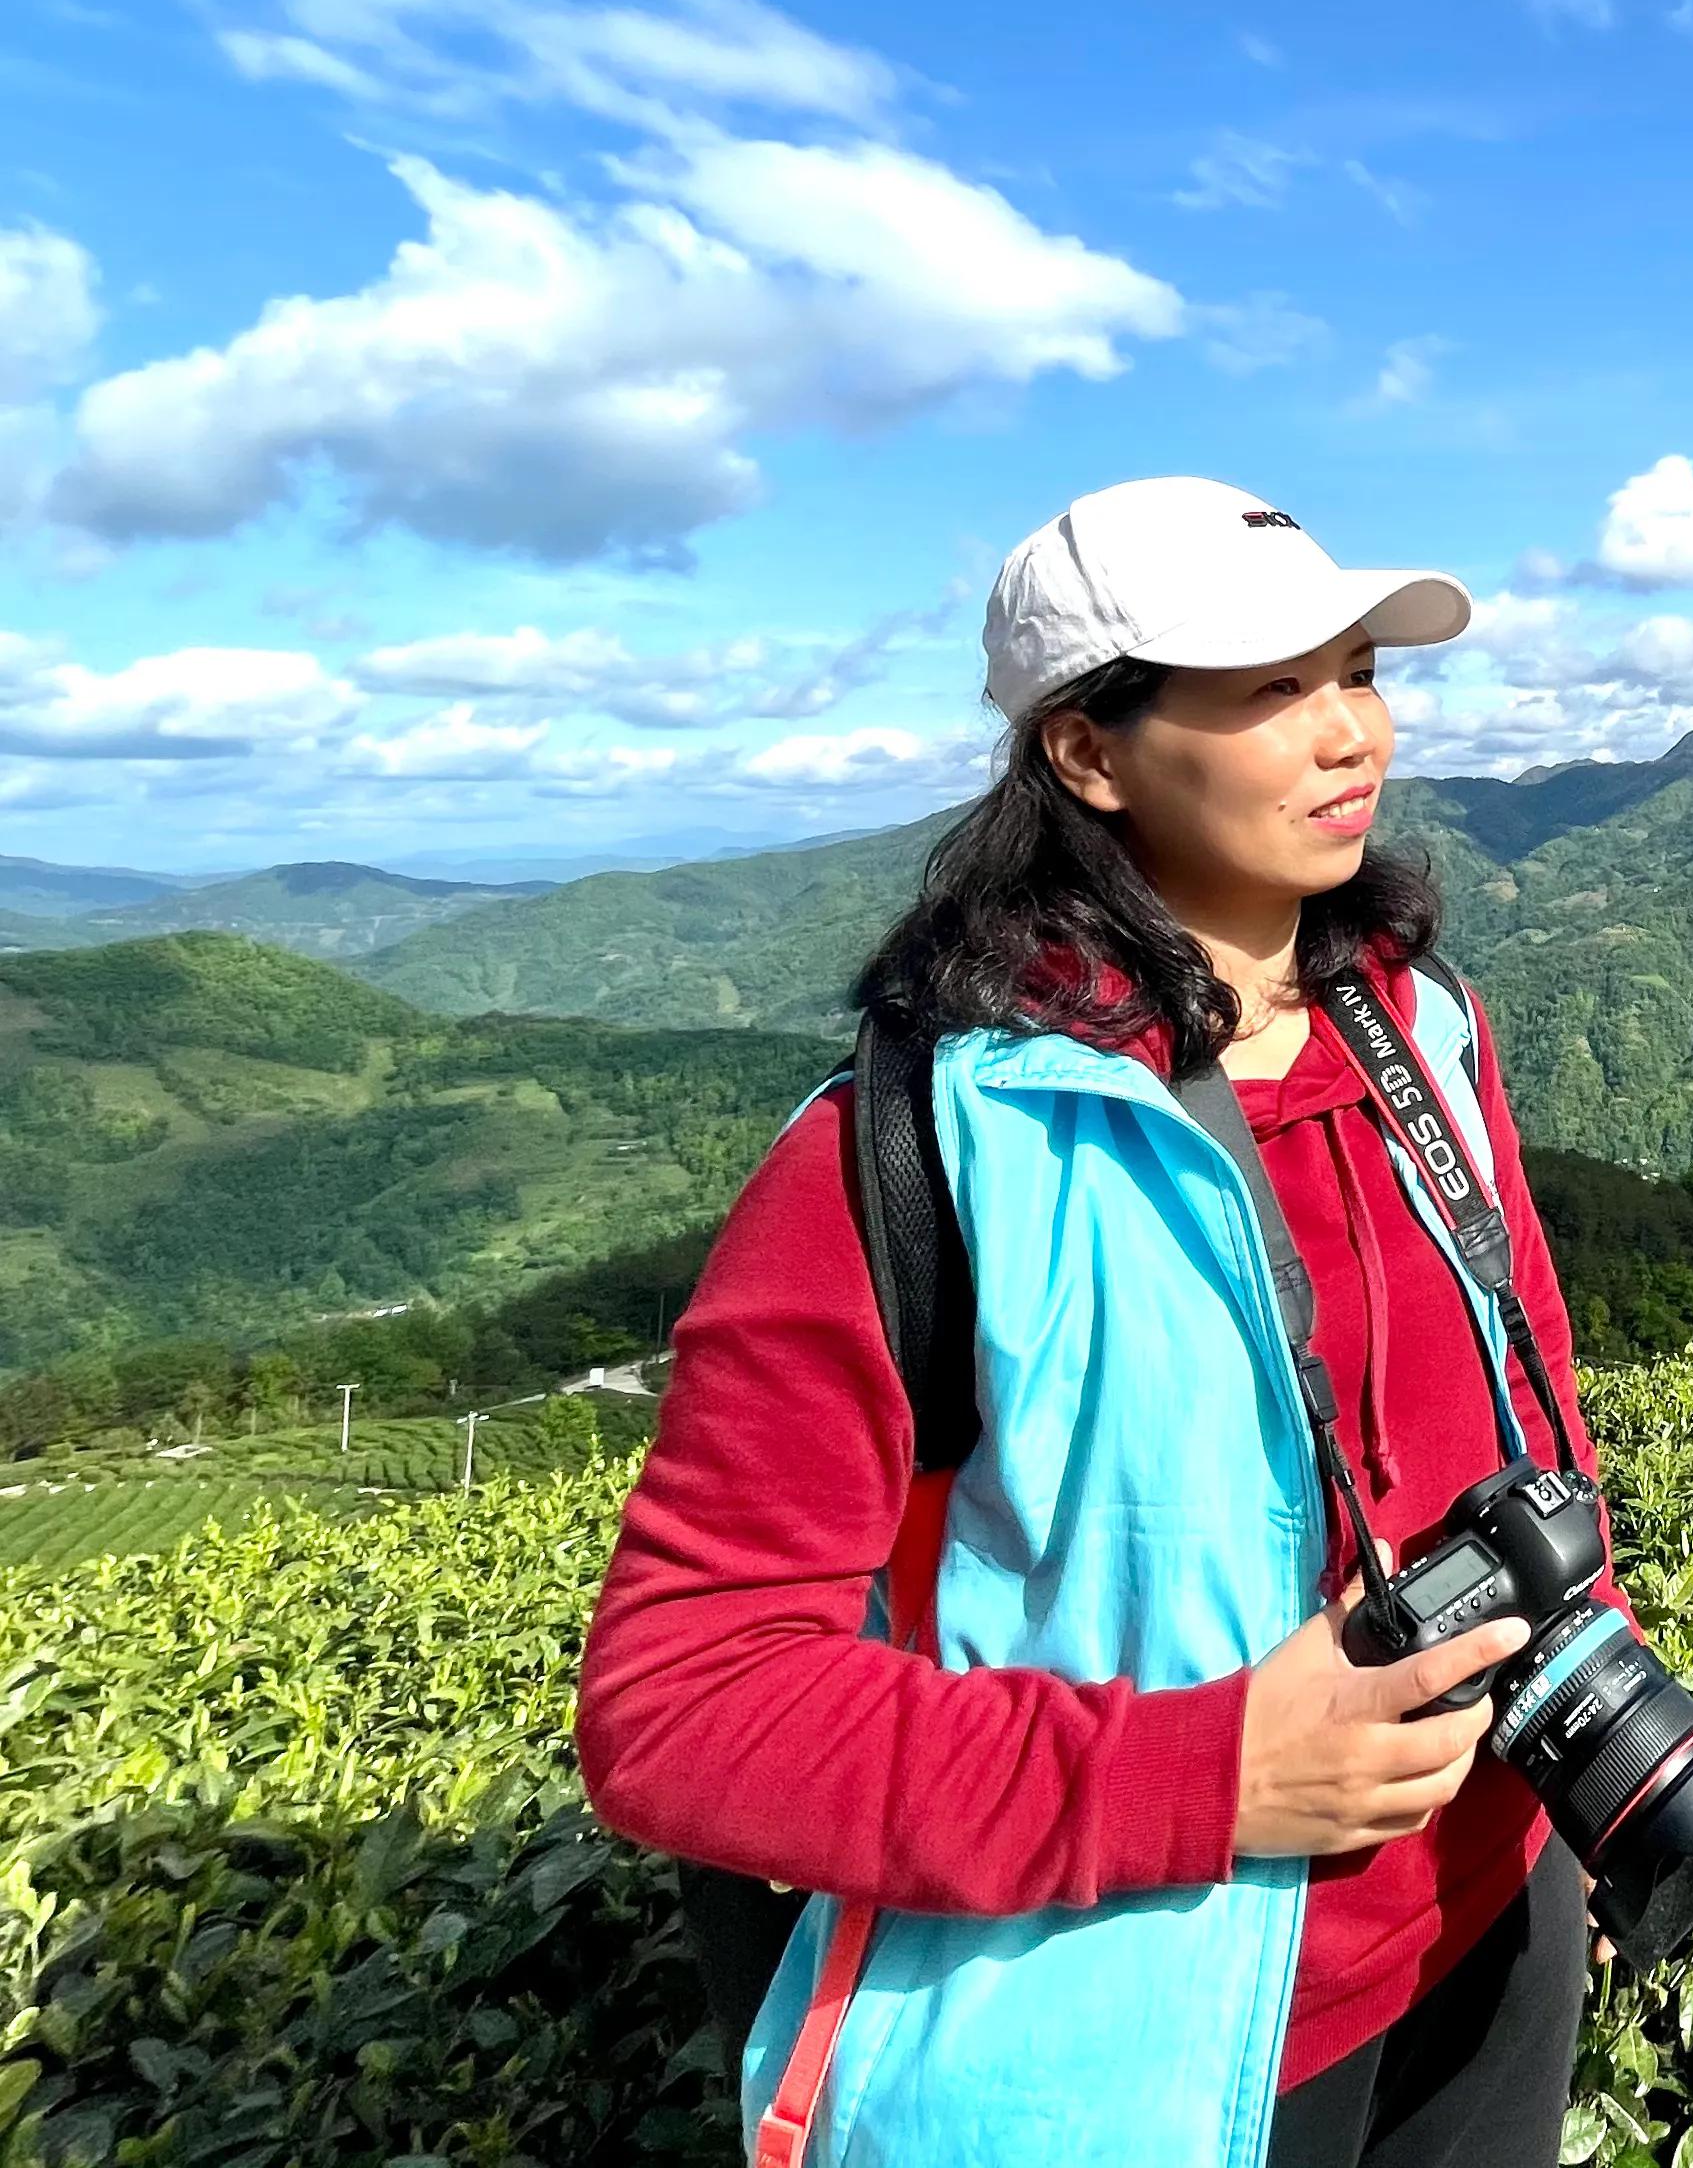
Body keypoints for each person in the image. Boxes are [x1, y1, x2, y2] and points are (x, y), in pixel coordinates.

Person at [580, 477, 1618, 2168]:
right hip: (1156, 2039)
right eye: (1271, 688)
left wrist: (1584, 1778)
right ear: (1089, 751)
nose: (1350, 729)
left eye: (1360, 670)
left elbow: (1529, 1398)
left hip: (1492, 1931)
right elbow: (679, 1705)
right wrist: (1202, 1777)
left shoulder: (1425, 1031)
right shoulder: (911, 1156)